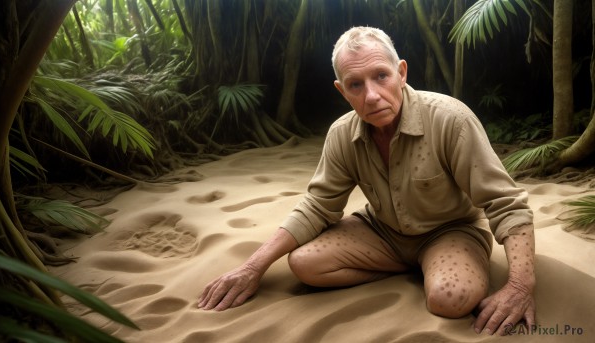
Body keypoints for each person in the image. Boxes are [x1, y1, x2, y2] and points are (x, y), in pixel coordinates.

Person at [198, 26, 536, 336]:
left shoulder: (451, 120)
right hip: (382, 232)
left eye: (381, 76)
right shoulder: (342, 134)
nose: (371, 95)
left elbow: (505, 202)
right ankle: (411, 266)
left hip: (449, 231)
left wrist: (520, 287)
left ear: (401, 73)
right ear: (342, 90)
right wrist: (252, 267)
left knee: (450, 299)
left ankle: (429, 264)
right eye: (355, 84)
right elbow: (316, 206)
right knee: (304, 264)